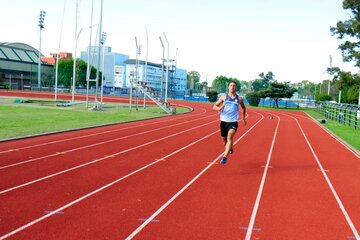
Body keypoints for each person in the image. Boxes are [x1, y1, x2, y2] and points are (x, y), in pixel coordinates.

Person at [213, 81, 246, 164]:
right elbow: (214, 106)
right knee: (224, 141)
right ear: (228, 87)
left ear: (236, 88)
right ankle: (230, 147)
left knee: (230, 136)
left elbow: (243, 108)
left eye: (234, 86)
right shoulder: (223, 97)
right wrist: (219, 108)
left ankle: (224, 157)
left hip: (233, 122)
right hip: (223, 122)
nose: (232, 87)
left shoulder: (239, 99)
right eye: (231, 85)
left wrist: (243, 118)